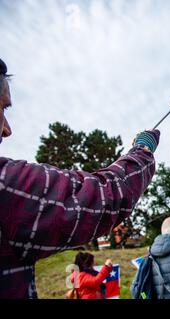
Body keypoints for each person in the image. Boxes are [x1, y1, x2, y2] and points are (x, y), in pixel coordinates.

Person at [0, 58, 160, 299]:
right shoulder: (5, 186)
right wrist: (142, 150)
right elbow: (103, 196)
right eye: (2, 108)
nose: (7, 129)